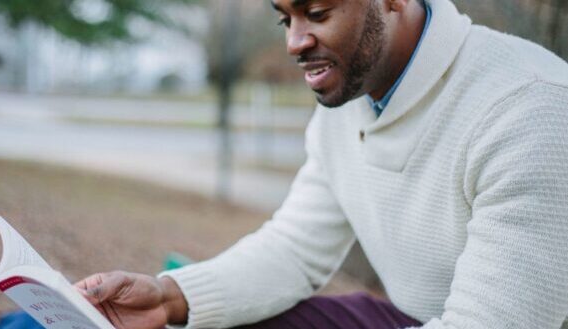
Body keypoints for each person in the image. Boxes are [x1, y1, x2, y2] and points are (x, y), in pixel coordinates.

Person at [76, 0, 568, 328]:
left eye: (316, 11)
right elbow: (294, 249)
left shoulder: (531, 109)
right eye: (285, 17)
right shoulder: (352, 97)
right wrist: (167, 297)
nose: (294, 42)